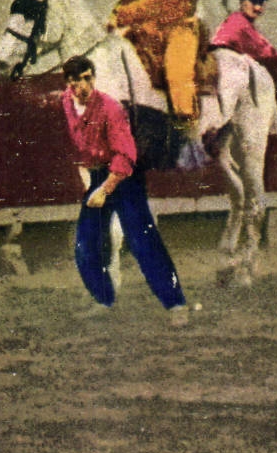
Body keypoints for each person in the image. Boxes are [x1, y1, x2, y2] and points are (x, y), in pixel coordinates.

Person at [61, 55, 191, 326]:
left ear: (93, 78)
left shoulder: (110, 108)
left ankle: (176, 304)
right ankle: (103, 299)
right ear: (69, 84)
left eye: (88, 78)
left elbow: (127, 156)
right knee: (85, 243)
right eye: (77, 81)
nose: (84, 86)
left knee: (142, 239)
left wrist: (105, 190)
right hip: (99, 174)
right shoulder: (67, 103)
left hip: (125, 178)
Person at [212, 0, 277, 62]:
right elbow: (221, 46)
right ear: (241, 2)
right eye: (254, 2)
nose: (258, 8)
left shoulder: (251, 28)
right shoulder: (235, 21)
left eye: (261, 4)